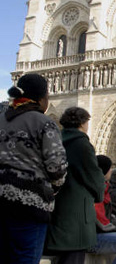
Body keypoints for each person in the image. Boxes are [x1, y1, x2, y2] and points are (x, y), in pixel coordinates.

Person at [0, 74, 68, 264]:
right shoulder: (43, 122)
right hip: (29, 204)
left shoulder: (1, 120)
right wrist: (53, 189)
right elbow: (57, 167)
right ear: (41, 99)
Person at [46, 107, 105, 264]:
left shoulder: (55, 140)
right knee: (74, 256)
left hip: (57, 211)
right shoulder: (81, 144)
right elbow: (94, 177)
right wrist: (99, 192)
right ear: (82, 123)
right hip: (76, 216)